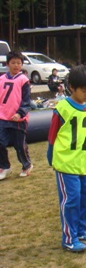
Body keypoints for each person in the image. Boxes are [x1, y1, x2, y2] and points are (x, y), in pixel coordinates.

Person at [47, 65, 86, 252]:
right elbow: (53, 134)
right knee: (71, 200)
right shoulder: (62, 108)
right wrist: (51, 155)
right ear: (72, 87)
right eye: (84, 90)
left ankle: (80, 230)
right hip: (66, 162)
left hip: (84, 163)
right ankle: (69, 238)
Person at [0, 51, 33, 180]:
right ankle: (5, 166)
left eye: (18, 63)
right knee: (0, 143)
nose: (16, 65)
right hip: (2, 117)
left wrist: (20, 113)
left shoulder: (23, 80)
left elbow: (26, 100)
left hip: (18, 119)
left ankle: (26, 164)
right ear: (7, 64)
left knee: (19, 145)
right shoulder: (2, 79)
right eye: (13, 63)